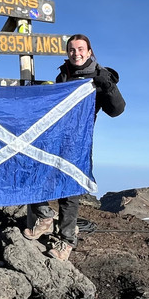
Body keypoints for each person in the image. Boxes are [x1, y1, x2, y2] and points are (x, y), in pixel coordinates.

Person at [23, 34, 125, 262]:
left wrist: (107, 86)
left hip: (77, 142)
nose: (76, 53)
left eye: (80, 49)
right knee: (33, 168)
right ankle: (45, 217)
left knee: (69, 189)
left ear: (89, 52)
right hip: (53, 137)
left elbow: (117, 110)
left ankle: (66, 241)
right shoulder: (63, 74)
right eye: (71, 49)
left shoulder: (100, 75)